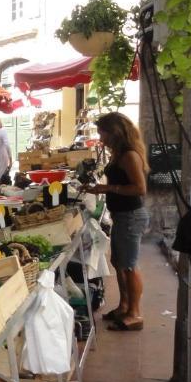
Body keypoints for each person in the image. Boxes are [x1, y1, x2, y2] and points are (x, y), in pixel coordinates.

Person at [82, 112, 149, 332]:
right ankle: (124, 306)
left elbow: (140, 189)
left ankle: (135, 314)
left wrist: (108, 188)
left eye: (103, 133)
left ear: (115, 132)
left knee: (129, 265)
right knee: (119, 263)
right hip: (122, 215)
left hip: (131, 216)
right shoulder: (118, 153)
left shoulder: (129, 155)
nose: (101, 138)